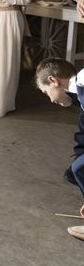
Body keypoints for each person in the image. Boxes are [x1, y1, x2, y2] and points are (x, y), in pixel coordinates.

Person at [35, 58, 84, 241]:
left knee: (79, 168)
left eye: (46, 92)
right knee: (76, 170)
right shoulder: (79, 92)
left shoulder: (82, 83)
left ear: (54, 80)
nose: (50, 99)